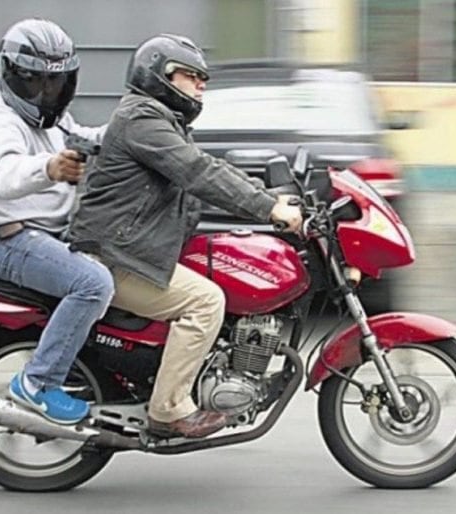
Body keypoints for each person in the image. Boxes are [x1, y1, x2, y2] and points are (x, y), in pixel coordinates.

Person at [69, 34, 302, 439]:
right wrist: (270, 210)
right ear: (160, 76)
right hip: (114, 254)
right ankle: (168, 409)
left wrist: (270, 199)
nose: (201, 85)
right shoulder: (142, 120)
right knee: (206, 301)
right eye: (191, 76)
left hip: (131, 246)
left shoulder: (159, 121)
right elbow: (197, 173)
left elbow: (208, 169)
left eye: (202, 77)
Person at [0, 18, 114, 425]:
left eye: (56, 84)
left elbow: (84, 138)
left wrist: (133, 130)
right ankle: (38, 383)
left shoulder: (51, 117)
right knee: (93, 284)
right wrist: (50, 168)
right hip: (1, 241)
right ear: (12, 75)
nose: (47, 93)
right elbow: (4, 176)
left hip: (43, 231)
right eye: (38, 83)